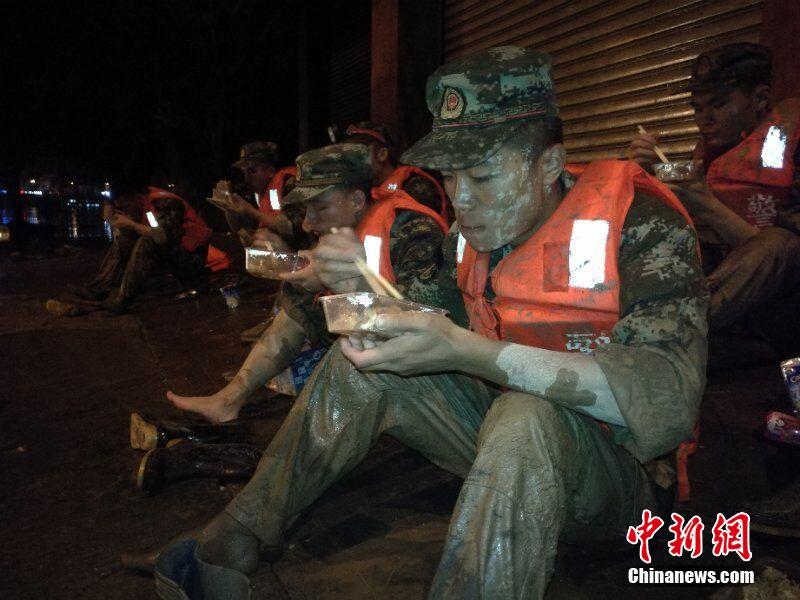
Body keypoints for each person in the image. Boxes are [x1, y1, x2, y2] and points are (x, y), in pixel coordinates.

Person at [129, 47, 707, 598]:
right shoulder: (470, 238)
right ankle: (230, 542)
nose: (464, 200)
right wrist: (356, 282)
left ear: (549, 164)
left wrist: (469, 354)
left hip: (625, 486)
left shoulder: (640, 224)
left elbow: (665, 401)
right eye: (452, 178)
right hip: (506, 454)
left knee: (525, 414)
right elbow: (418, 319)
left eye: (481, 178)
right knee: (364, 364)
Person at [164, 141, 448, 424]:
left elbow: (424, 329)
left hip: (429, 378)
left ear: (357, 201)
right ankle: (229, 399)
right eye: (306, 210)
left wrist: (340, 284)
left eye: (320, 208)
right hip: (375, 341)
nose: (307, 224)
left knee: (336, 346)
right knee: (302, 294)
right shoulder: (346, 228)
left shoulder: (413, 231)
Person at [627, 43, 800, 360]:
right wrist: (653, 167)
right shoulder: (716, 147)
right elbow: (691, 182)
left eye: (718, 105)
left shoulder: (789, 141)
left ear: (760, 99)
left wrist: (707, 205)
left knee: (778, 244)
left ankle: (669, 333)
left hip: (781, 304)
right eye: (697, 109)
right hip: (730, 303)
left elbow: (783, 259)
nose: (704, 119)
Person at [46, 184, 212, 315]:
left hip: (192, 261)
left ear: (136, 197)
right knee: (125, 241)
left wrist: (131, 224)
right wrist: (116, 223)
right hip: (173, 254)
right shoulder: (147, 208)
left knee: (145, 242)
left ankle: (123, 299)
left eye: (124, 204)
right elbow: (151, 230)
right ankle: (97, 289)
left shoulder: (165, 202)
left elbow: (162, 238)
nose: (124, 208)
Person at [343, 121, 450, 222]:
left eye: (360, 154)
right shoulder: (363, 192)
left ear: (382, 154)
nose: (353, 162)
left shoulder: (414, 185)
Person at [223, 141, 307, 250]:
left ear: (270, 171)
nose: (247, 178)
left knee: (263, 238)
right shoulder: (257, 193)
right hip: (283, 251)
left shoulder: (290, 183)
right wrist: (229, 210)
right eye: (245, 172)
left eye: (252, 171)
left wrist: (250, 211)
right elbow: (247, 232)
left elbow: (293, 227)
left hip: (303, 252)